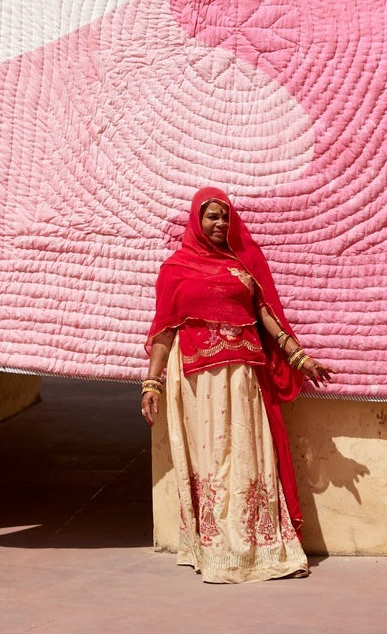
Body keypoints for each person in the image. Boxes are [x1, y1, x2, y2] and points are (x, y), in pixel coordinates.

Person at [141, 187, 332, 583]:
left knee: (248, 454)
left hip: (243, 377)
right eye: (212, 216)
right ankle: (217, 550)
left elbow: (265, 314)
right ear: (197, 221)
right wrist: (152, 383)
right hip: (197, 380)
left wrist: (300, 357)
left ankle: (261, 547)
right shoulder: (175, 269)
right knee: (213, 460)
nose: (220, 223)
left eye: (225, 217)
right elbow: (164, 331)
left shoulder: (240, 267)